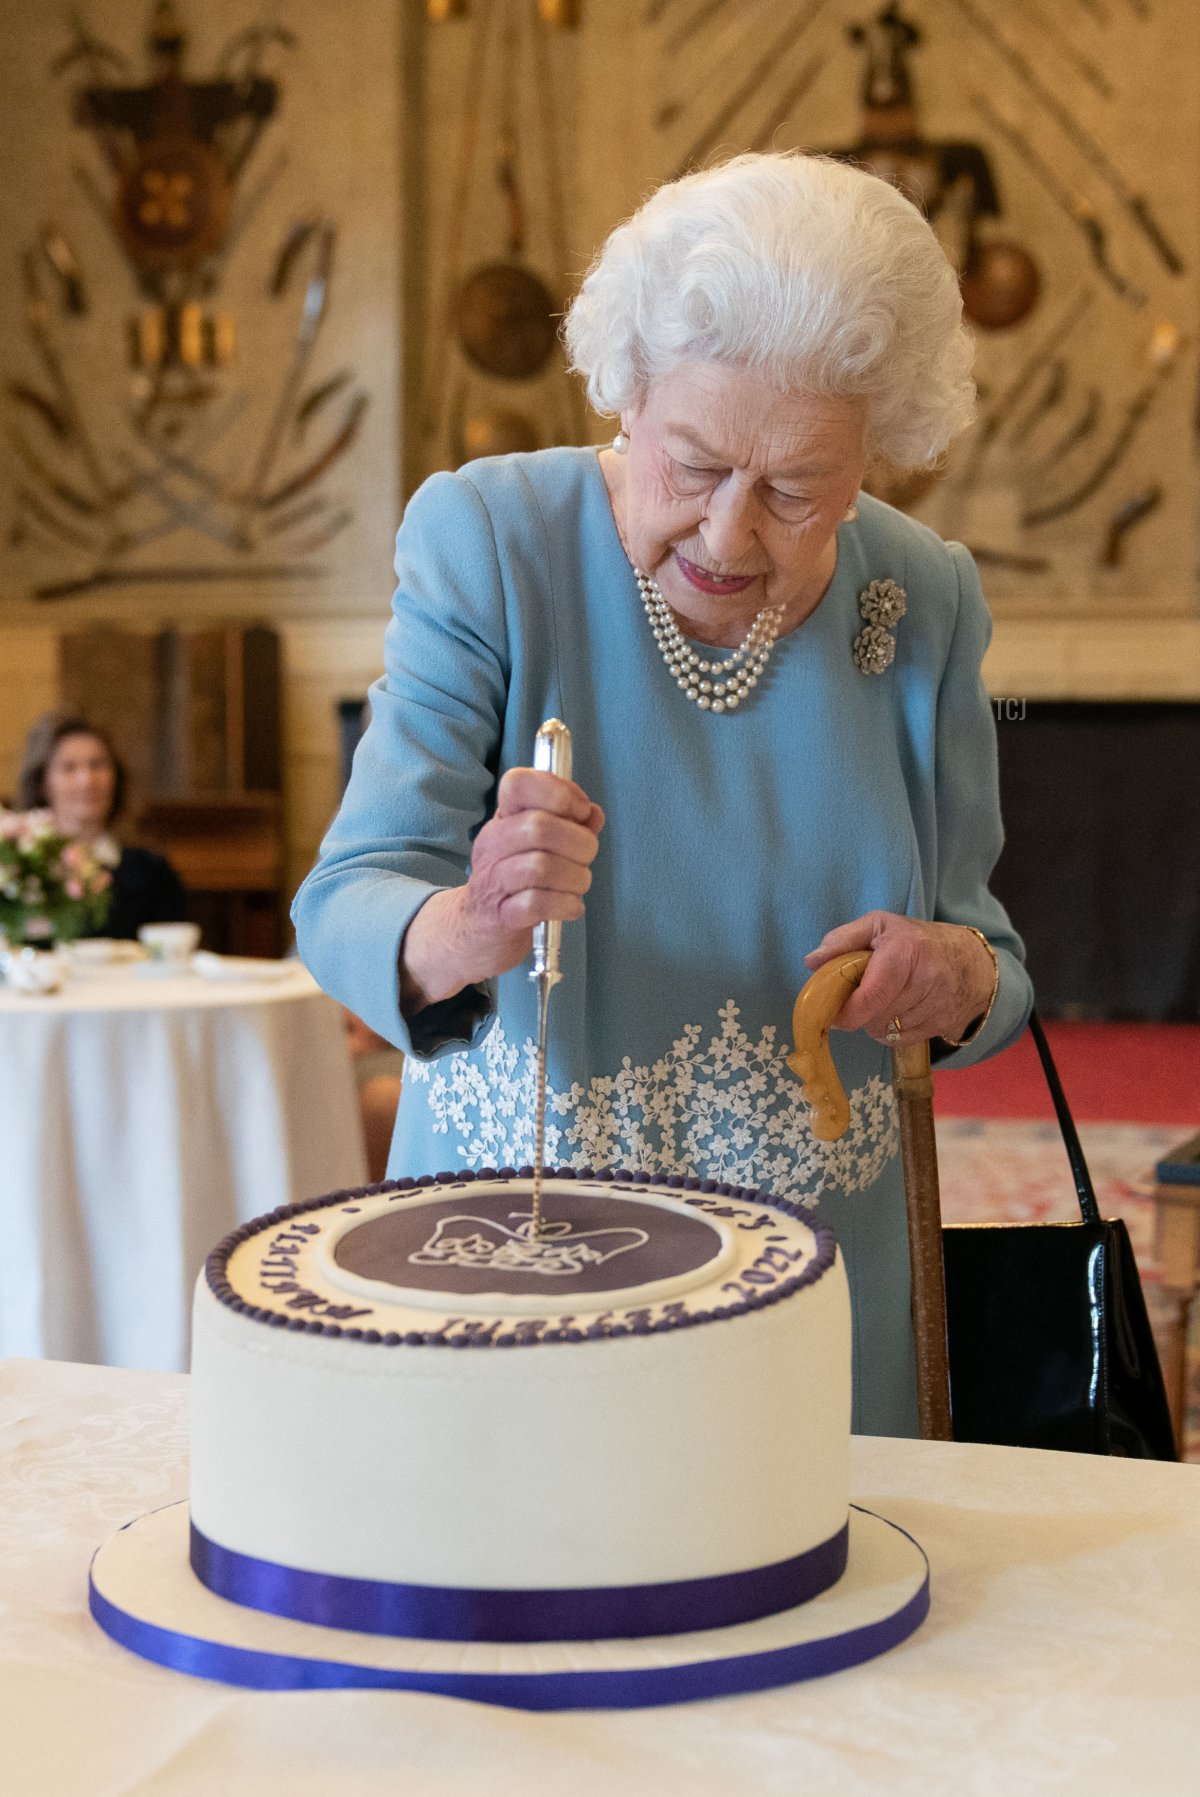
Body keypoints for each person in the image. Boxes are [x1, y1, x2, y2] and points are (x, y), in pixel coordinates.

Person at [293, 153, 1034, 1435]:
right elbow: (347, 902)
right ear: (626, 395)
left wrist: (954, 976)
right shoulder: (493, 539)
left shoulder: (924, 596)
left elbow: (995, 955)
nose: (730, 536)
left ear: (879, 458)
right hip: (516, 1273)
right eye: (693, 464)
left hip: (815, 1294)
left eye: (799, 489)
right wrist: (471, 924)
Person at [16, 712, 188, 941]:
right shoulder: (19, 870)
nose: (87, 780)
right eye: (69, 768)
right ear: (42, 783)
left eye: (98, 765)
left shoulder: (152, 871)